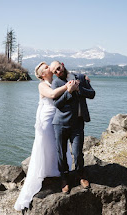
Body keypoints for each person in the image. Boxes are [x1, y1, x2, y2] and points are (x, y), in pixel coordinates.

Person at [14, 62, 76, 211]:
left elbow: (72, 77)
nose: (50, 68)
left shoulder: (55, 81)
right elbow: (53, 95)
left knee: (58, 145)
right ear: (42, 74)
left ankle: (58, 170)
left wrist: (80, 80)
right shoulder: (42, 85)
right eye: (47, 68)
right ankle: (47, 171)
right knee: (47, 144)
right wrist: (68, 86)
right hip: (47, 118)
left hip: (57, 116)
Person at [50, 61, 95, 194]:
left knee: (77, 152)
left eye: (58, 68)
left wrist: (79, 89)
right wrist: (68, 91)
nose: (58, 72)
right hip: (60, 124)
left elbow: (92, 94)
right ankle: (64, 178)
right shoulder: (56, 83)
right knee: (61, 153)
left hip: (78, 123)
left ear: (62, 65)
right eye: (55, 72)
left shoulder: (80, 77)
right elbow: (57, 104)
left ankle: (81, 175)